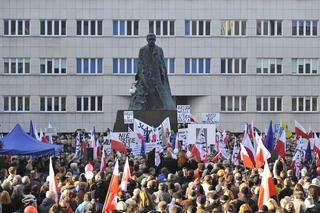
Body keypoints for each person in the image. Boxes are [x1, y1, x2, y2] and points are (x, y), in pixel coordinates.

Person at [129, 33, 176, 110]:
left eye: (153, 39)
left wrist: (163, 74)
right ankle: (143, 107)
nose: (151, 41)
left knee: (158, 93)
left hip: (156, 75)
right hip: (146, 75)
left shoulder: (159, 49)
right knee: (146, 92)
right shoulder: (142, 50)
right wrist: (138, 74)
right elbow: (140, 63)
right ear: (147, 40)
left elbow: (162, 63)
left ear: (155, 40)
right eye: (150, 39)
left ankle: (159, 107)